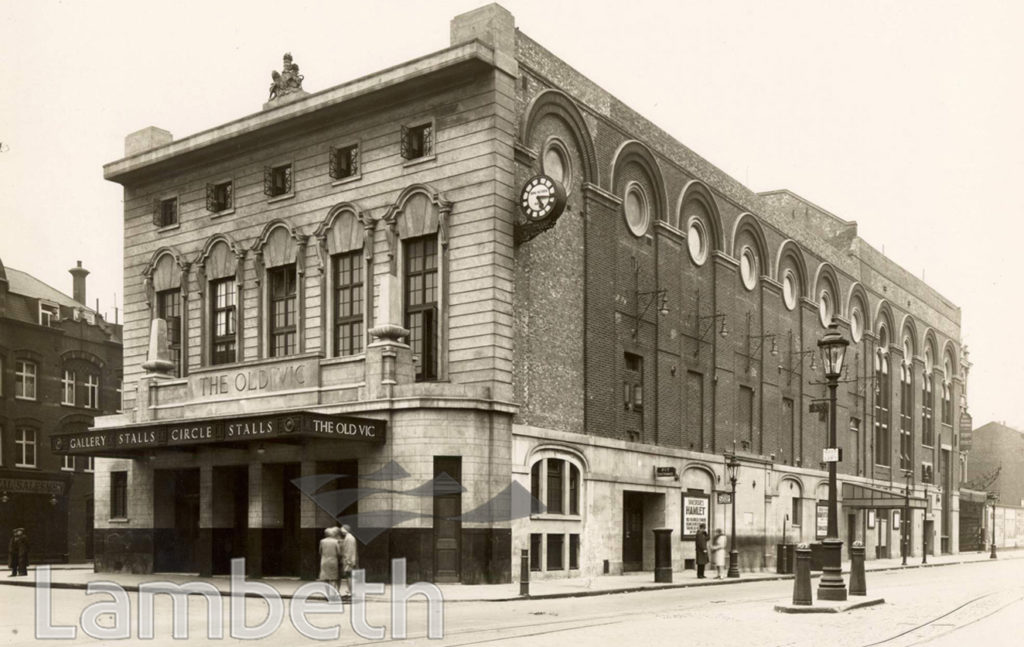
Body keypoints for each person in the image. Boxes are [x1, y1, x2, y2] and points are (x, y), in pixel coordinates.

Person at [318, 527, 342, 597]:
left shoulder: (322, 541)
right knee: (333, 579)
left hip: (324, 561)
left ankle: (328, 595)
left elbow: (320, 551)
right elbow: (338, 552)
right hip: (333, 561)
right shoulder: (336, 541)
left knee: (325, 579)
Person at [338, 524, 358, 597]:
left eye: (342, 529)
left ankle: (351, 592)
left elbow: (349, 550)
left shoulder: (349, 538)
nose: (341, 531)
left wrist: (348, 561)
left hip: (348, 561)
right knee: (349, 576)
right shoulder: (349, 537)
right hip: (349, 560)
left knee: (348, 576)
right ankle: (350, 590)